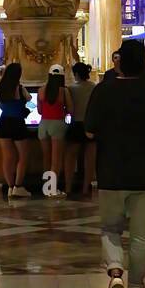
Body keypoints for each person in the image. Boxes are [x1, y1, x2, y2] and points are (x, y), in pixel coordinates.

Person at [85, 38, 145, 288]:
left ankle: (115, 273)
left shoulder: (103, 91)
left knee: (110, 228)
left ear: (119, 61)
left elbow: (89, 131)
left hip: (111, 171)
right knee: (140, 236)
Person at [0, 62, 32, 198]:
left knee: (7, 157)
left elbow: (0, 105)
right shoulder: (20, 88)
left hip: (3, 122)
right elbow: (29, 99)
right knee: (23, 156)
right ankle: (18, 186)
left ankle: (10, 186)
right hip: (17, 123)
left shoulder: (0, 89)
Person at [37, 64, 72, 197]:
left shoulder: (41, 90)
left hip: (43, 125)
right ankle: (52, 189)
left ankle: (46, 188)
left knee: (46, 158)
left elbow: (40, 110)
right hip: (57, 124)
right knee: (56, 160)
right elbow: (70, 109)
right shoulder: (63, 91)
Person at [64, 61, 97, 198]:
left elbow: (69, 108)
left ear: (76, 74)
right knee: (90, 159)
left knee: (70, 157)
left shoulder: (71, 88)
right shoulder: (94, 87)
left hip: (76, 124)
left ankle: (68, 186)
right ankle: (85, 188)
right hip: (91, 124)